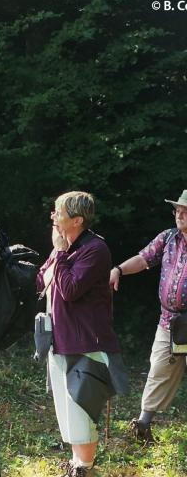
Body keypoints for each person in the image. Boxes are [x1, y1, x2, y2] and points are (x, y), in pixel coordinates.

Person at [36, 191, 126, 477]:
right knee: (67, 410)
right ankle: (78, 465)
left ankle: (83, 469)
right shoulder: (63, 248)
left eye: (58, 212)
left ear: (77, 220)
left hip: (86, 344)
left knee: (82, 410)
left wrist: (60, 254)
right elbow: (42, 282)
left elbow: (71, 289)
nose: (53, 216)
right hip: (60, 342)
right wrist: (56, 255)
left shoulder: (95, 249)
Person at [111, 189, 187, 443]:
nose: (180, 215)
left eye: (186, 211)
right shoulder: (168, 238)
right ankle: (142, 425)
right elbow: (143, 259)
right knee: (158, 369)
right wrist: (119, 270)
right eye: (178, 210)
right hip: (169, 321)